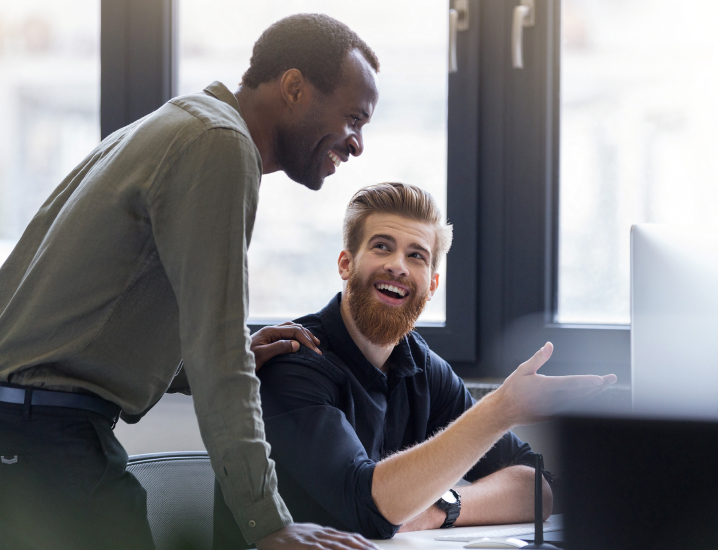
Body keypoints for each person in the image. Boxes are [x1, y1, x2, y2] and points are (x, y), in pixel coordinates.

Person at [0, 14, 381, 550]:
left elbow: (90, 318)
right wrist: (268, 523)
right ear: (294, 88)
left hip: (31, 434)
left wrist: (214, 357)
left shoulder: (180, 124)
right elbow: (218, 354)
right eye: (353, 118)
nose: (358, 144)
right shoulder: (220, 144)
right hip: (43, 441)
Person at [213, 182, 617, 544]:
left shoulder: (422, 366)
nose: (399, 266)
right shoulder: (295, 359)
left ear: (432, 284)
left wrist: (441, 507)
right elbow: (371, 509)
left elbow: (539, 487)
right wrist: (502, 409)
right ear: (345, 264)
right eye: (381, 246)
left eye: (417, 255)